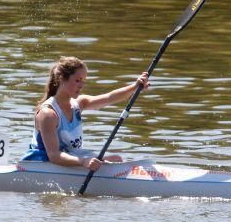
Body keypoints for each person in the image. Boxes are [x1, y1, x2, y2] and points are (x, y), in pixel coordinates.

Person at [20, 56, 150, 171]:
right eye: (77, 80)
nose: (82, 85)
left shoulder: (79, 103)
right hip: (42, 164)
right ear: (61, 79)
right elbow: (54, 156)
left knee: (116, 159)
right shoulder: (48, 114)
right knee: (110, 163)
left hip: (69, 157)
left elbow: (110, 97)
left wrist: (134, 87)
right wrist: (84, 162)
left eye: (83, 81)